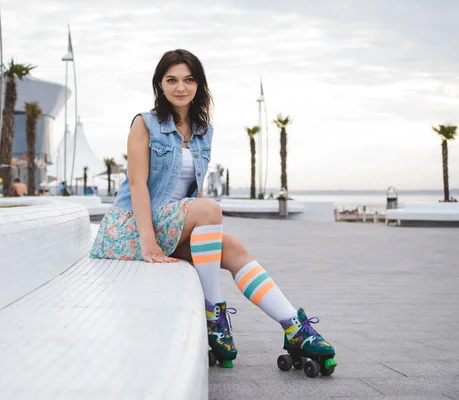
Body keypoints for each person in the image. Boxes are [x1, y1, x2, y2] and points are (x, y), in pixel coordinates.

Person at [90, 49, 335, 371]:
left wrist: (202, 219)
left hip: (174, 223)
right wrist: (147, 242)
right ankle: (213, 313)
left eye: (189, 80)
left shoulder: (204, 130)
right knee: (209, 209)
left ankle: (293, 327)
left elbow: (195, 192)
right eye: (172, 80)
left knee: (232, 247)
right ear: (159, 85)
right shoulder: (144, 123)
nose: (181, 87)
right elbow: (137, 185)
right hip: (131, 228)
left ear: (199, 85)